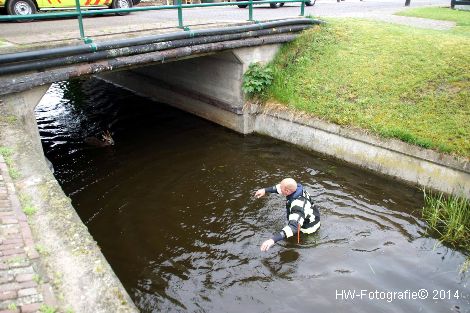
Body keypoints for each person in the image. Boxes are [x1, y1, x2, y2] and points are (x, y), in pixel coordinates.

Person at [254, 178, 320, 251]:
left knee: (292, 242)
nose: (279, 189)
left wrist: (272, 240)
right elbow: (279, 188)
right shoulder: (297, 188)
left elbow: (294, 227)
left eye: (281, 188)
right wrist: (264, 190)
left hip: (309, 229)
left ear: (287, 191)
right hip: (312, 215)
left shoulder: (298, 205)